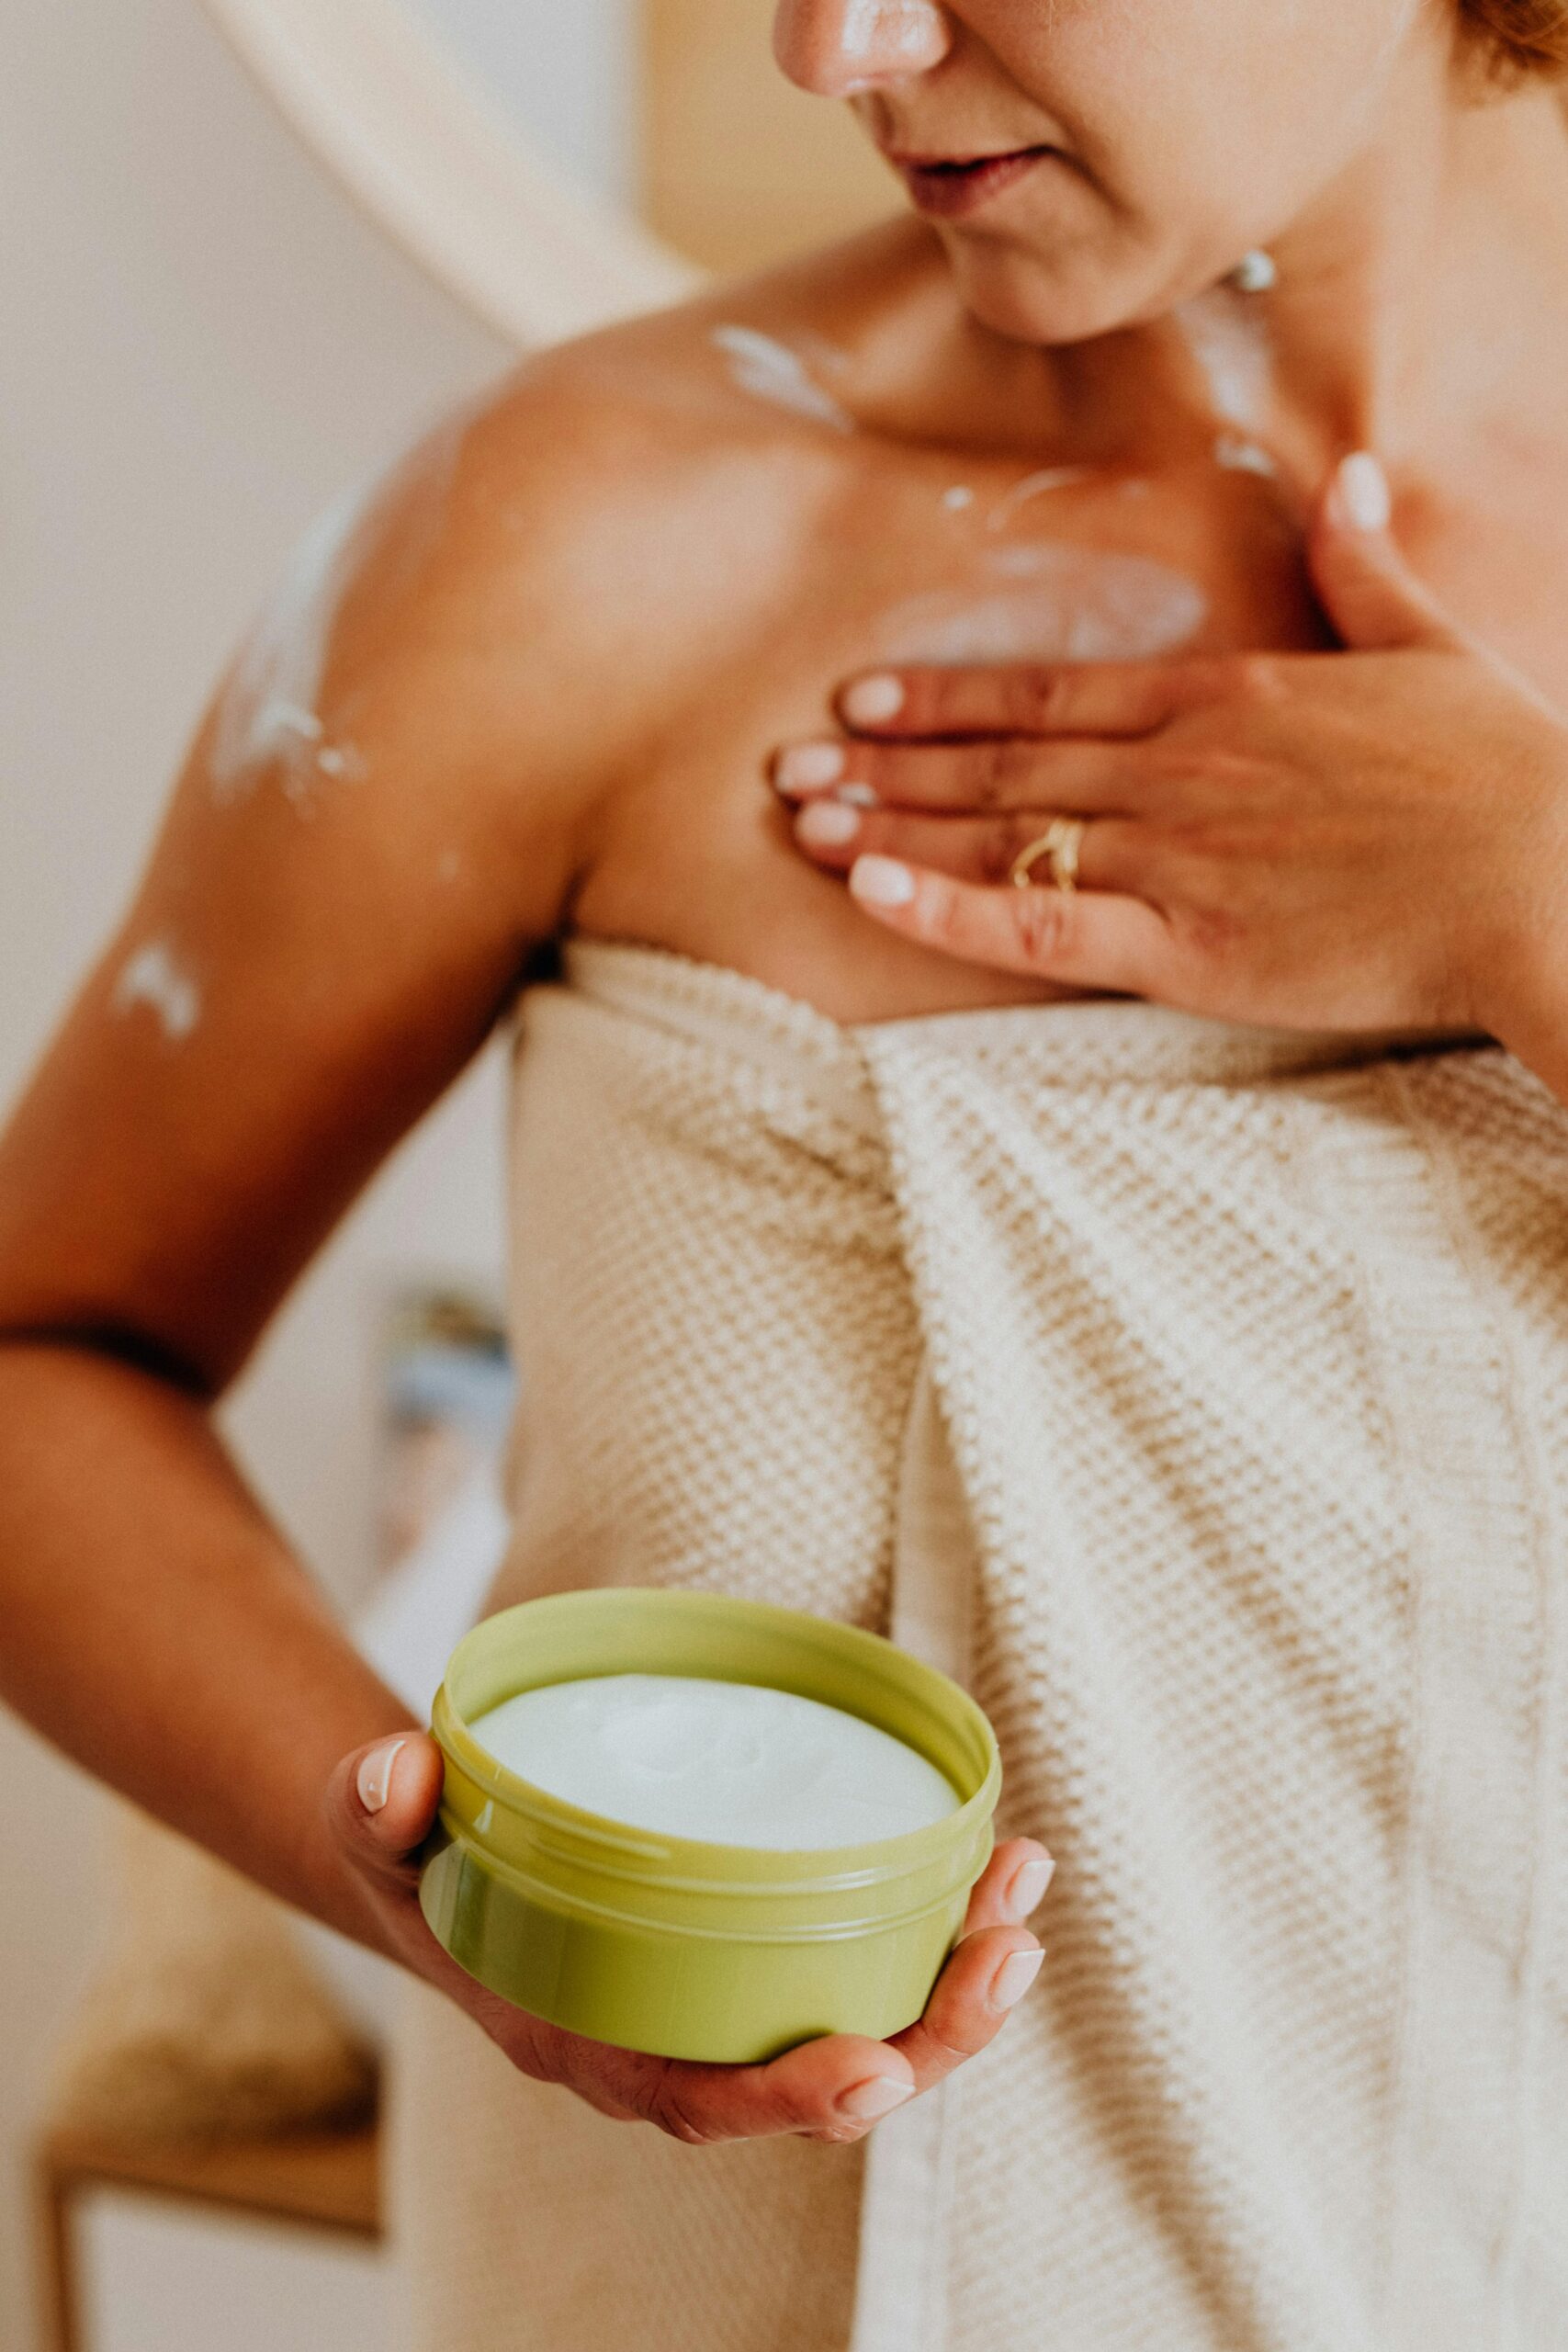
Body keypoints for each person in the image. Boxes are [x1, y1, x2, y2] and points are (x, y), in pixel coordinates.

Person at [5, 0, 1568, 2345]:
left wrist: (1533, 895)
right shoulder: (588, 537)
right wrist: (425, 1875)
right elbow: (40, 1357)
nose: (828, 46)